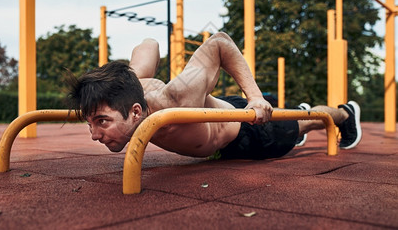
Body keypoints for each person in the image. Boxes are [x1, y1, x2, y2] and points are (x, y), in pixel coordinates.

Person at [67, 32, 362, 160]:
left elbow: (219, 43)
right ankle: (299, 111)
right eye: (91, 123)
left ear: (135, 112)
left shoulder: (176, 99)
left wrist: (256, 98)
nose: (94, 134)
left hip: (247, 133)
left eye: (102, 122)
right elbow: (150, 43)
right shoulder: (133, 83)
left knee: (306, 122)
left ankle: (345, 113)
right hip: (216, 137)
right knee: (297, 121)